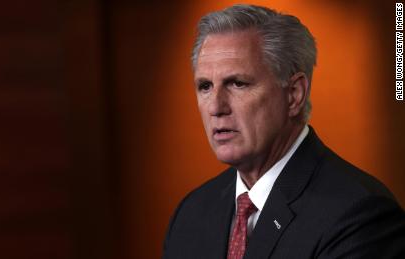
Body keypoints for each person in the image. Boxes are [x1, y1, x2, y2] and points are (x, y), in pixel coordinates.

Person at [162, 4, 405, 259]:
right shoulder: (190, 215)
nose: (216, 107)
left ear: (293, 95)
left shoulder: (361, 217)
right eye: (205, 86)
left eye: (237, 83)